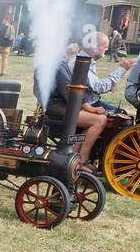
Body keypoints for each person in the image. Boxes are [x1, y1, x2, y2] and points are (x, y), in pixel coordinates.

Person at [48, 31, 132, 164]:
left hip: (71, 104)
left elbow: (76, 92)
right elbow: (69, 94)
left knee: (113, 117)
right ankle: (84, 158)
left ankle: (77, 158)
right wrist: (91, 109)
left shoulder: (68, 64)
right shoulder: (70, 64)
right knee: (103, 120)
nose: (75, 51)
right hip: (59, 106)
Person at [0, 11, 15, 76]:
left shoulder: (1, 27)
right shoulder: (12, 28)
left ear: (5, 20)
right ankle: (3, 71)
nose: (2, 21)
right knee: (5, 59)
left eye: (3, 20)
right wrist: (11, 45)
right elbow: (13, 37)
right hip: (7, 46)